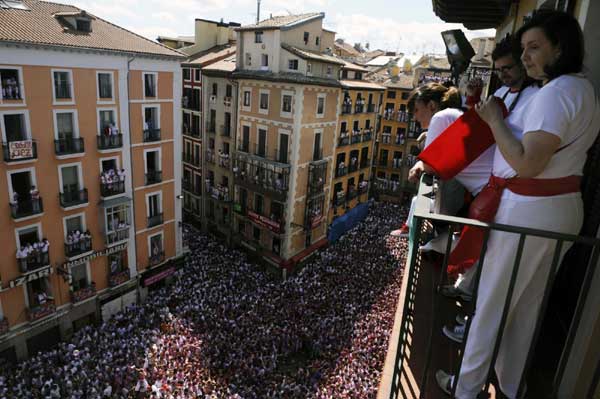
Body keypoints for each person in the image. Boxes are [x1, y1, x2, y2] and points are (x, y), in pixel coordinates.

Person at [436, 11, 600, 398]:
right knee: (527, 307)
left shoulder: (557, 94)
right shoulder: (582, 90)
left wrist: (494, 121)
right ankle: (511, 388)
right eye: (524, 48)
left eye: (534, 47)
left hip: (529, 211)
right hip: (556, 210)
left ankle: (466, 388)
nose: (526, 57)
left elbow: (529, 162)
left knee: (491, 305)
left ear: (560, 47)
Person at [440, 34, 541, 344]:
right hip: (497, 191)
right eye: (499, 69)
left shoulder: (535, 97)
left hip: (512, 193)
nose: (504, 74)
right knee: (487, 260)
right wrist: (472, 101)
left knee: (494, 271)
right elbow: (483, 124)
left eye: (508, 67)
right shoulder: (503, 91)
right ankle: (470, 315)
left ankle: (472, 329)